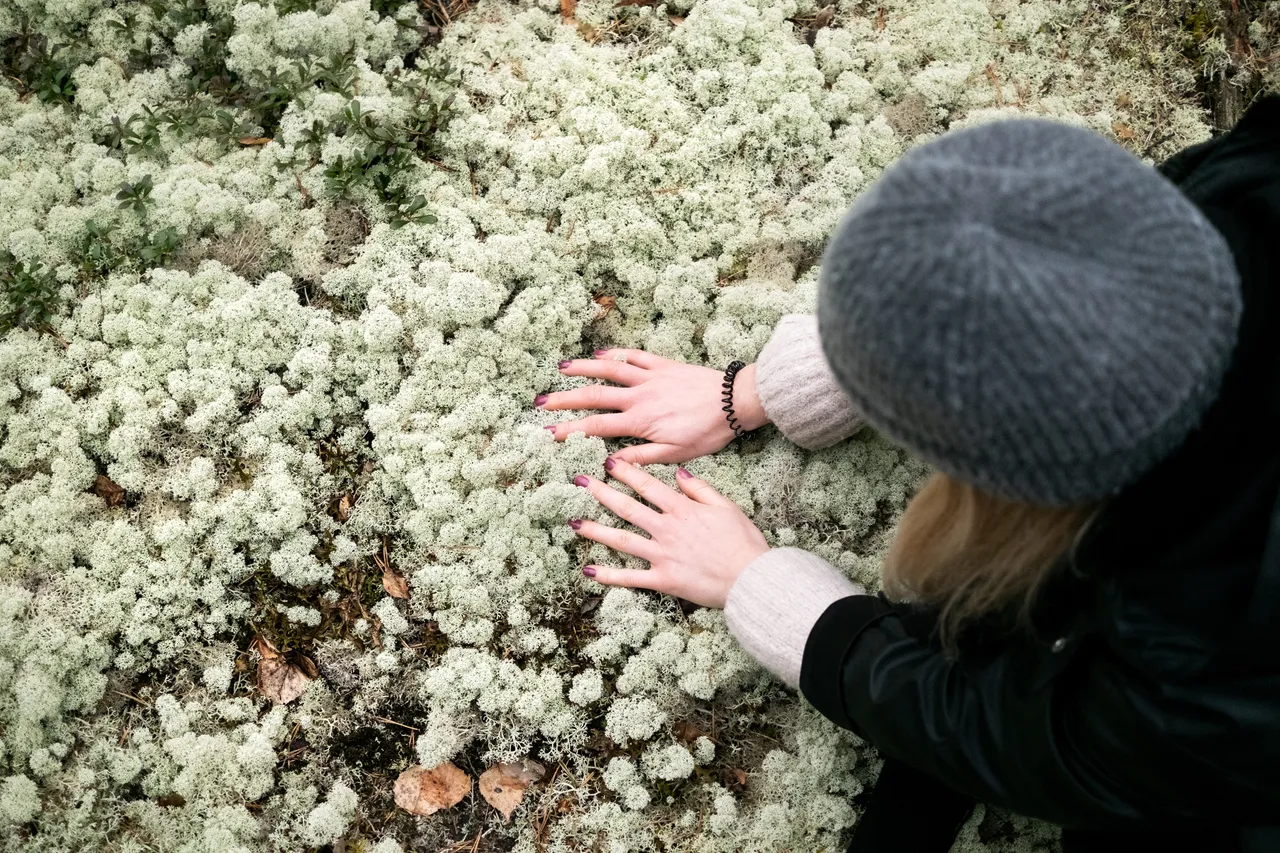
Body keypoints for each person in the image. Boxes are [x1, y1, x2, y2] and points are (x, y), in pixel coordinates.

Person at [538, 97, 1280, 852]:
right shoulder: (1247, 186)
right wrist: (799, 378)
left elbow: (1035, 740)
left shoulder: (1217, 676)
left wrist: (778, 601)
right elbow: (1059, 271)